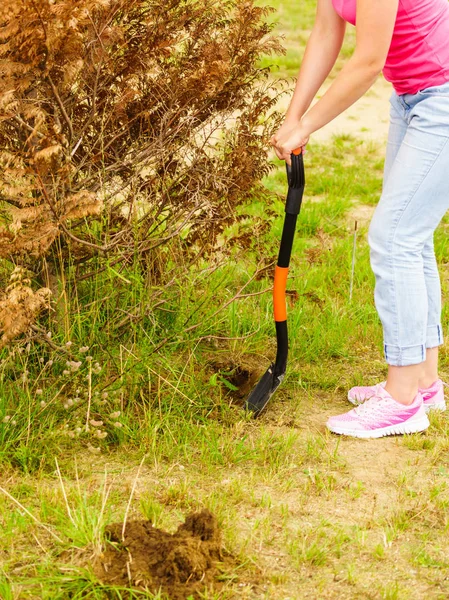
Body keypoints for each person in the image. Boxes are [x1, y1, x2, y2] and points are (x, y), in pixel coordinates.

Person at [270, 0, 449, 438]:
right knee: (412, 236)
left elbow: (368, 61)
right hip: (412, 96)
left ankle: (402, 399)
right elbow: (325, 34)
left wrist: (307, 125)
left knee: (395, 238)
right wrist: (294, 116)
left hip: (443, 97)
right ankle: (424, 382)